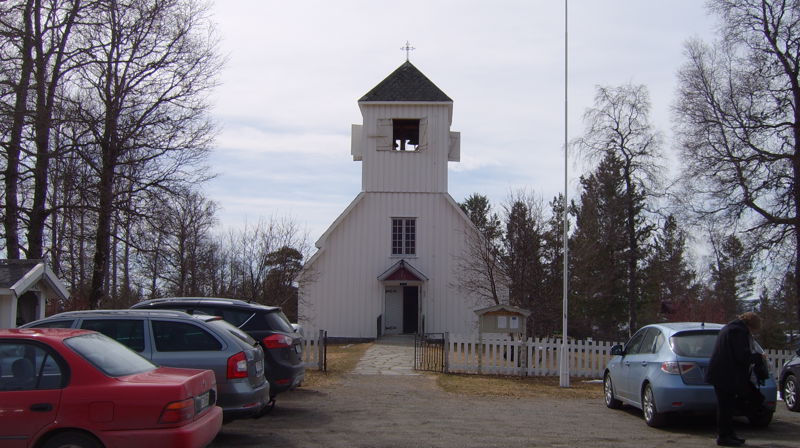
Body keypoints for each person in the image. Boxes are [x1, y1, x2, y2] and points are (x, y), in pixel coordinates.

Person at [705, 312, 763, 447]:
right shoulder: (739, 331)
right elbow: (741, 356)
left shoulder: (730, 328)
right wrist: (758, 357)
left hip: (722, 373)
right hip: (726, 375)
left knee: (727, 406)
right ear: (751, 325)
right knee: (725, 407)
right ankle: (724, 436)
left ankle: (729, 433)